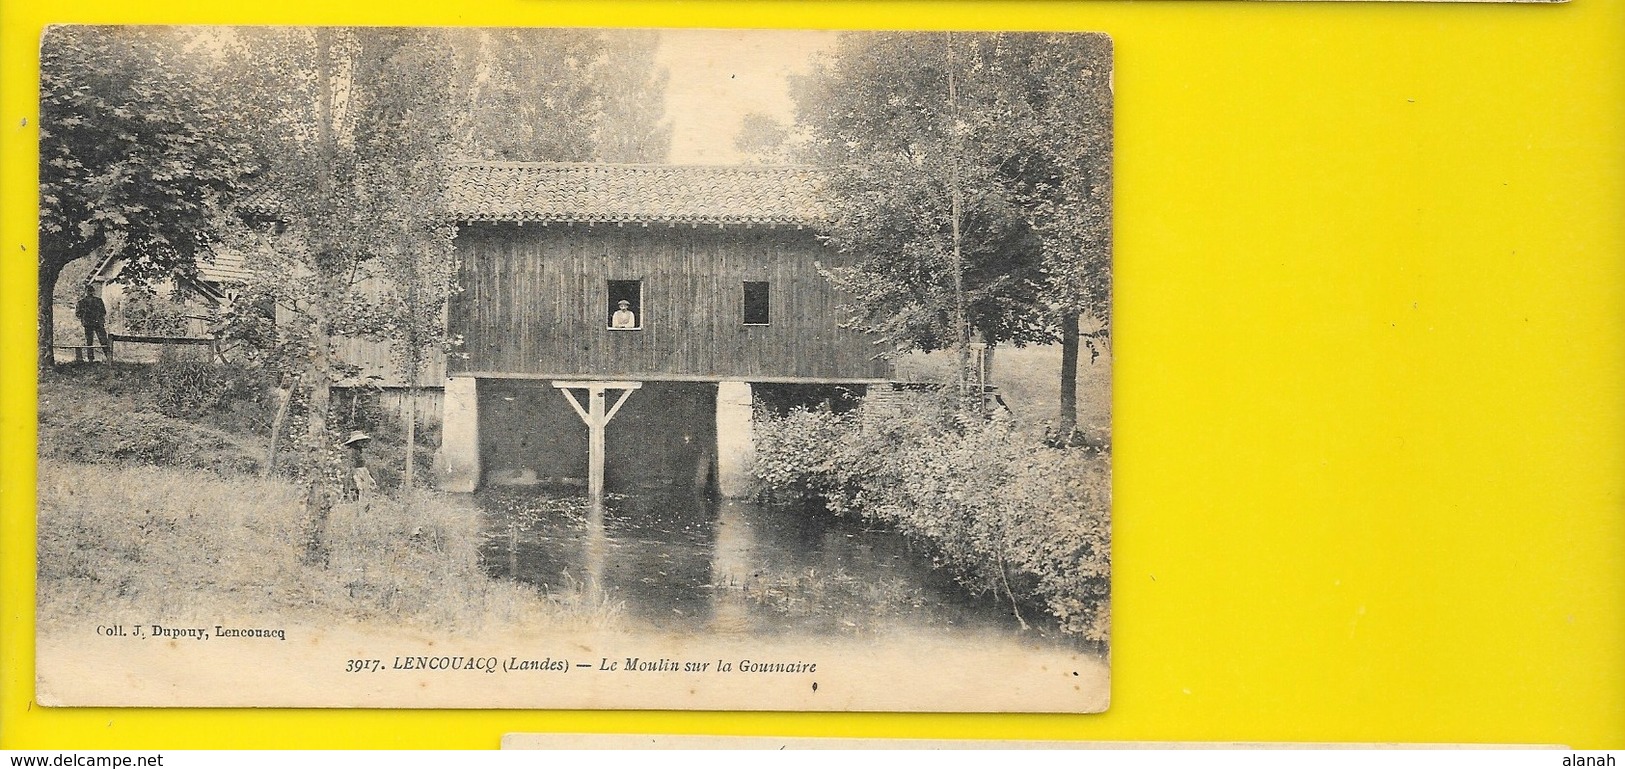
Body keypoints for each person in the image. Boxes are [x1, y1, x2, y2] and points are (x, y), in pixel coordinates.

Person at [74, 283, 110, 362]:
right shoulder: (98, 301)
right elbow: (103, 312)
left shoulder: (81, 302)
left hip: (88, 324)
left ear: (85, 292)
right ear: (93, 292)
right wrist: (98, 318)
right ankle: (109, 357)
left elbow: (77, 314)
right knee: (103, 340)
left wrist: (84, 318)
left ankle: (91, 359)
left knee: (89, 341)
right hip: (97, 323)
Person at [342, 430, 378, 507]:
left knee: (366, 491)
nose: (361, 443)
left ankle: (364, 508)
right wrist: (355, 477)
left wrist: (368, 477)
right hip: (356, 472)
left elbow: (362, 465)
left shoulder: (359, 451)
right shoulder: (351, 452)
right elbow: (351, 466)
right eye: (359, 441)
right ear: (355, 442)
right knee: (358, 490)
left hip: (362, 472)